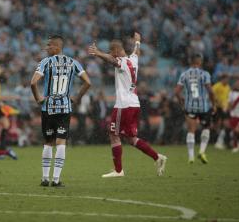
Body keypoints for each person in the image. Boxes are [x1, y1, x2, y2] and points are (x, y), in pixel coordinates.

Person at [88, 32, 167, 178]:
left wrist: (98, 53)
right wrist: (137, 42)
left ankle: (118, 171)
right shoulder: (133, 60)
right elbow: (136, 52)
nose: (111, 55)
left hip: (123, 105)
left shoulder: (123, 61)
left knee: (113, 134)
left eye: (112, 52)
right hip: (134, 103)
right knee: (131, 139)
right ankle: (157, 157)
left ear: (117, 51)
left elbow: (112, 61)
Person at [31, 35, 91, 187]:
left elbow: (33, 82)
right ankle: (56, 180)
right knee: (61, 142)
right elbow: (88, 82)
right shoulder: (73, 62)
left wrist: (38, 98)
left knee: (48, 142)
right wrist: (76, 97)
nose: (47, 48)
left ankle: (45, 179)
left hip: (48, 108)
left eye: (49, 46)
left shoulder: (45, 62)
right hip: (65, 107)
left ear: (57, 47)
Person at [175, 54, 216, 164]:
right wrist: (214, 104)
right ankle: (202, 151)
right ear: (200, 62)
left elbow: (177, 92)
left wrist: (181, 102)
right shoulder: (205, 74)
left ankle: (191, 157)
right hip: (204, 107)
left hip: (190, 107)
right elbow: (210, 91)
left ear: (190, 62)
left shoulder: (184, 74)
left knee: (191, 131)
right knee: (206, 128)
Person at [212, 74, 231, 149]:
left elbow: (227, 97)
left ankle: (221, 141)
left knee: (226, 124)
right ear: (222, 79)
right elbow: (211, 93)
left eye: (227, 79)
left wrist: (227, 106)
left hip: (224, 108)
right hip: (217, 108)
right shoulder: (217, 86)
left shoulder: (228, 87)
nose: (227, 81)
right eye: (225, 79)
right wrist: (216, 100)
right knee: (216, 125)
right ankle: (218, 141)